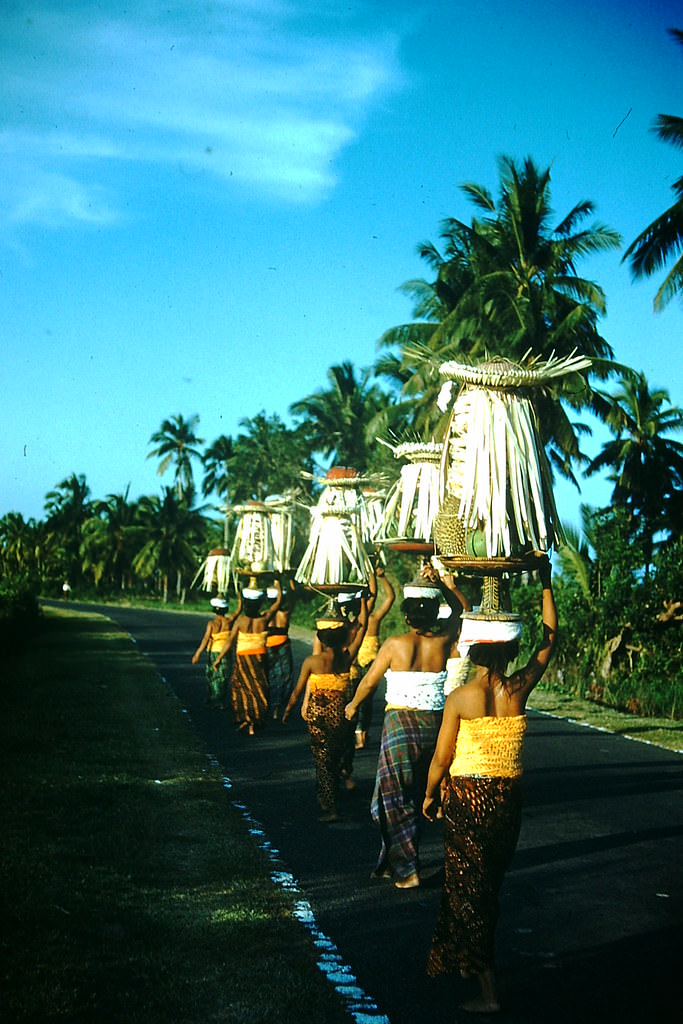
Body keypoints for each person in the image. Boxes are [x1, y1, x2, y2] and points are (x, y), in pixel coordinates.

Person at [423, 554, 557, 1014]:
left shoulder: (462, 697)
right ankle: (468, 961)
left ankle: (487, 992)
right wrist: (546, 584)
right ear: (507, 651)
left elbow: (442, 758)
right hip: (506, 800)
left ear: (474, 649)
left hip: (467, 796)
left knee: (468, 887)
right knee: (486, 885)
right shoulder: (518, 689)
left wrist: (428, 793)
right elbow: (550, 639)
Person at [345, 564, 470, 888]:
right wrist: (444, 583)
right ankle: (393, 861)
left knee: (393, 798)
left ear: (407, 615)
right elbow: (460, 609)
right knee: (413, 795)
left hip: (401, 724)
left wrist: (353, 705)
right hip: (435, 725)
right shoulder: (443, 640)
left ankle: (407, 869)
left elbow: (370, 682)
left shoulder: (394, 645)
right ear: (432, 613)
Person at [283, 595, 368, 823]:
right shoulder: (347, 658)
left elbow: (297, 691)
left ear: (321, 637)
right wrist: (362, 603)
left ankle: (331, 807)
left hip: (318, 716)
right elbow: (363, 628)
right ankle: (330, 792)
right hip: (342, 715)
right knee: (336, 755)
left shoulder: (313, 662)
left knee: (323, 760)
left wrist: (287, 710)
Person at [214, 578, 281, 735]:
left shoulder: (240, 621)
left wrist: (219, 658)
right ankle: (254, 722)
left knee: (243, 690)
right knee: (259, 689)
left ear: (246, 604)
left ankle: (247, 720)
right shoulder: (264, 619)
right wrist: (278, 583)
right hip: (259, 658)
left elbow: (229, 642)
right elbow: (278, 603)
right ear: (259, 603)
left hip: (243, 659)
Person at [353, 564, 395, 749]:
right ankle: (361, 734)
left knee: (364, 702)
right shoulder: (355, 621)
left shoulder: (371, 619)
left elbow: (385, 597)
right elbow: (377, 595)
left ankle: (361, 735)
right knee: (362, 702)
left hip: (369, 663)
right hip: (358, 664)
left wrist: (377, 575)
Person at [191, 594, 236, 709]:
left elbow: (206, 639)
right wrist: (239, 597)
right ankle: (219, 701)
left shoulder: (211, 624)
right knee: (224, 677)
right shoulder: (229, 621)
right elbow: (239, 610)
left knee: (212, 675)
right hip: (225, 653)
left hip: (213, 652)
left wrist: (198, 653)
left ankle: (211, 698)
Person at [265, 577, 297, 720]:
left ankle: (270, 705)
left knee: (271, 675)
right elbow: (294, 596)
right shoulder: (285, 613)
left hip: (270, 646)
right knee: (286, 676)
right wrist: (288, 583)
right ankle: (278, 708)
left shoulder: (265, 614)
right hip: (283, 645)